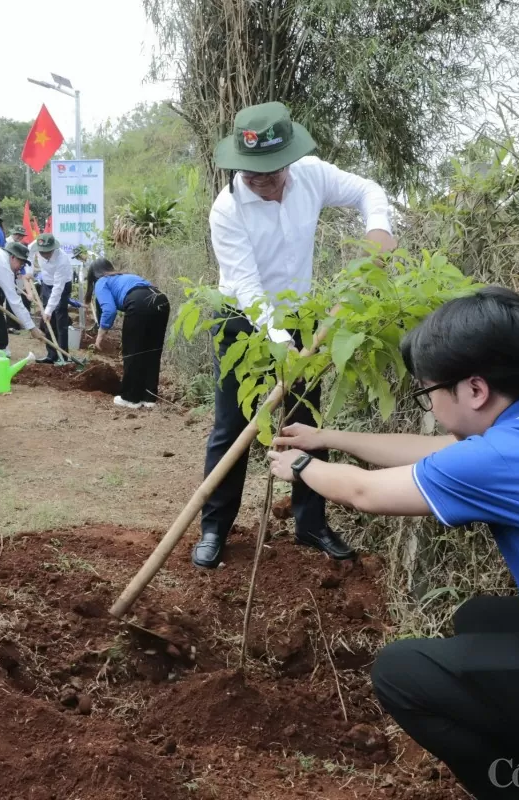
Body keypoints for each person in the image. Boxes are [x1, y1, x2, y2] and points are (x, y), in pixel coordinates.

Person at [266, 287, 519, 799]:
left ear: (476, 390)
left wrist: (301, 467)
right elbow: (435, 450)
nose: (432, 404)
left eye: (428, 392)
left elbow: (363, 492)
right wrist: (327, 439)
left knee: (401, 672)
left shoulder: (503, 461)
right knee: (481, 619)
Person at [194, 100, 398, 570]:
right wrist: (282, 345)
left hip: (305, 315)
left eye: (271, 171)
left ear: (289, 158)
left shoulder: (312, 174)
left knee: (305, 420)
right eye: (252, 174)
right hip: (243, 319)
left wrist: (379, 227)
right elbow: (246, 288)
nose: (262, 181)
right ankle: (214, 528)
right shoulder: (227, 209)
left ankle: (311, 524)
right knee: (233, 425)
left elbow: (368, 190)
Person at [86, 259, 170, 410]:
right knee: (152, 350)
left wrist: (100, 334)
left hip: (139, 303)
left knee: (133, 352)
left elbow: (109, 310)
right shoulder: (124, 277)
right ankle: (149, 397)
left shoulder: (101, 281)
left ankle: (131, 398)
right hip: (161, 300)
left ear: (94, 275)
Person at [0, 239, 45, 353]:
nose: (21, 267)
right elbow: (15, 302)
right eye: (21, 263)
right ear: (12, 257)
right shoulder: (4, 268)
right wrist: (32, 328)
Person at [31, 233, 74, 364]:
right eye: (42, 252)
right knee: (48, 321)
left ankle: (63, 356)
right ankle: (51, 355)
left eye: (48, 252)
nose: (44, 255)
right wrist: (28, 271)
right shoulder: (34, 246)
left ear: (54, 248)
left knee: (60, 319)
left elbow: (58, 289)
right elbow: (27, 255)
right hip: (46, 284)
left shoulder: (62, 260)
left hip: (62, 285)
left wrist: (49, 310)